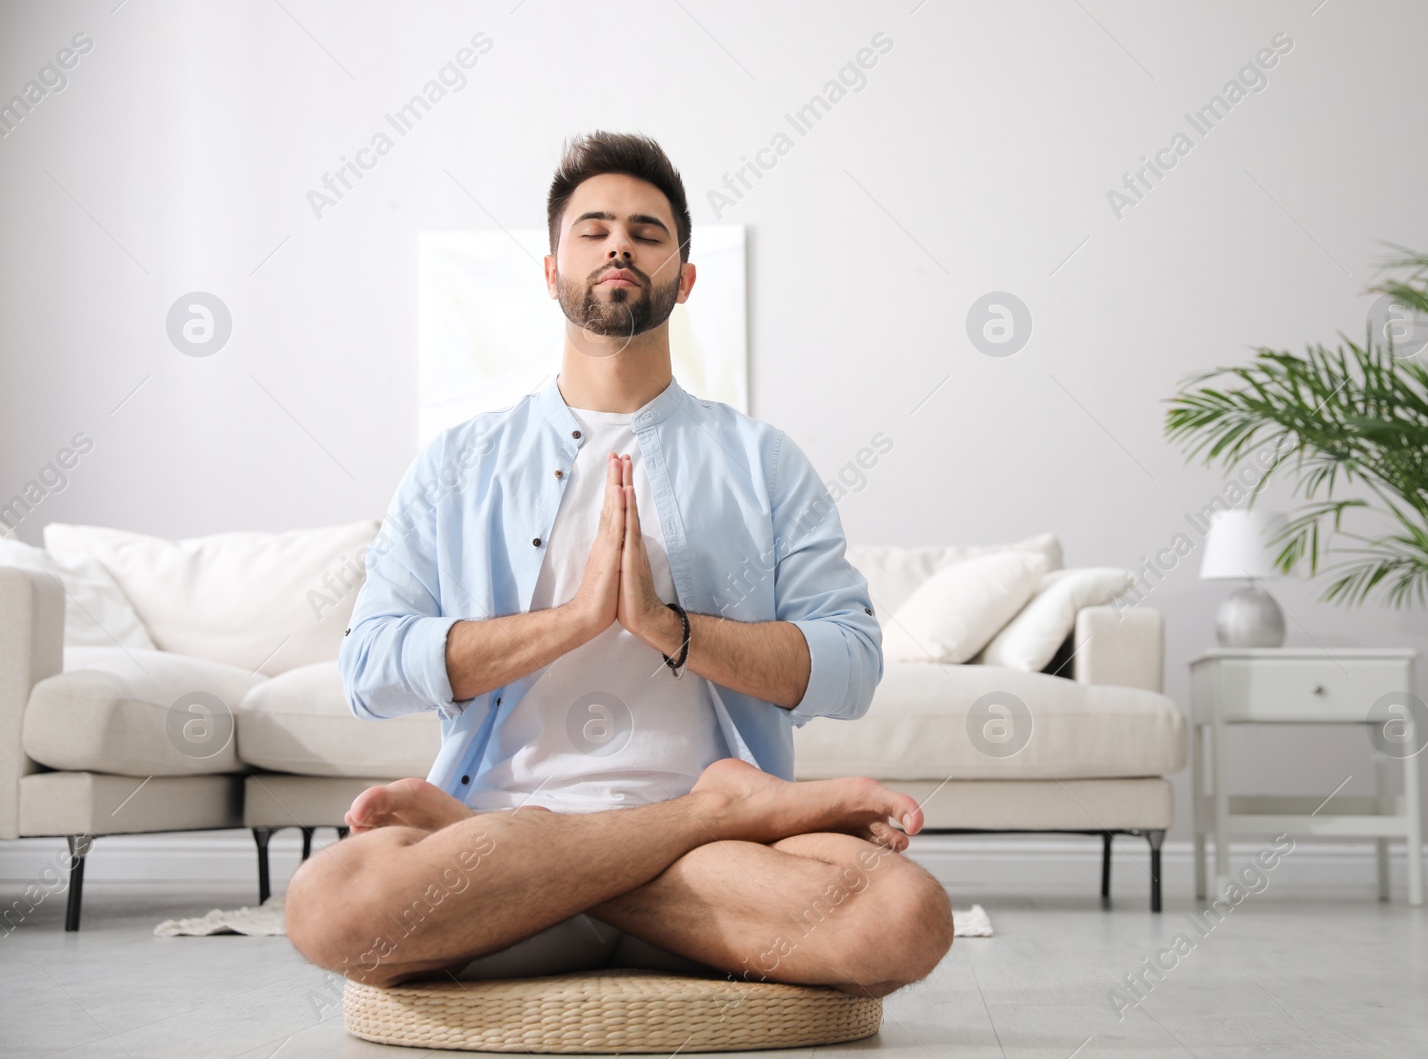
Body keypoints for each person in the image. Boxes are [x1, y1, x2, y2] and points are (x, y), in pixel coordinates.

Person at [283, 131, 954, 998]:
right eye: (593, 228)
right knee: (325, 905)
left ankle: (663, 832)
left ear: (685, 274)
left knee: (904, 918)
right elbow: (370, 668)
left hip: (704, 867)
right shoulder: (457, 462)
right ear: (551, 268)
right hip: (506, 829)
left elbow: (852, 666)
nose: (619, 245)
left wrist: (671, 630)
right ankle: (709, 804)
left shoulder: (762, 460)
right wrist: (571, 624)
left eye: (647, 231)